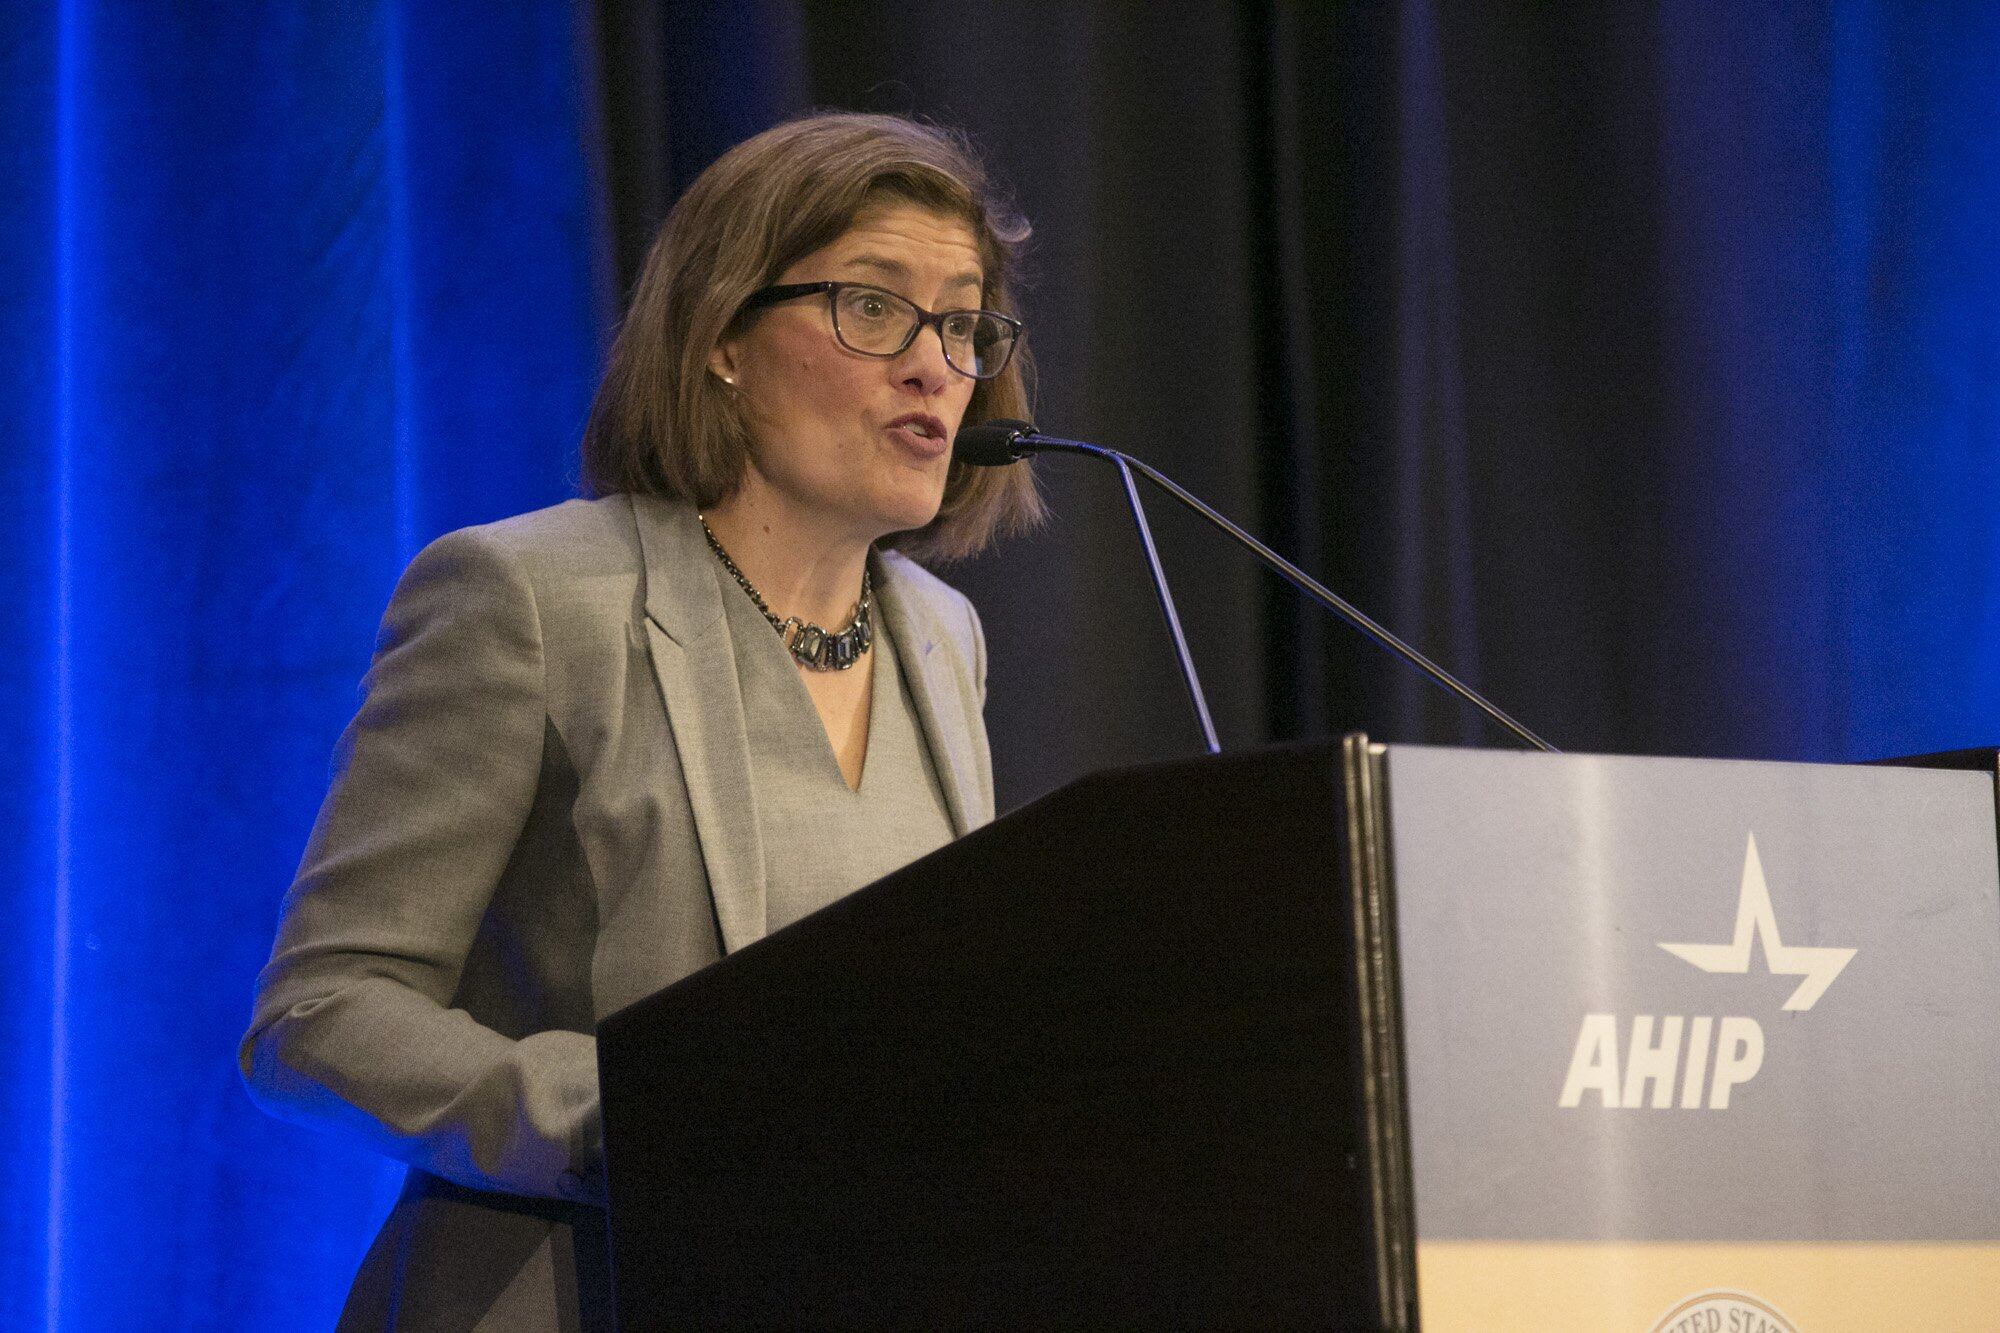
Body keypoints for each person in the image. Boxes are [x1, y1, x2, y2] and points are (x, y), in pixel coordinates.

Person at [239, 111, 1041, 1330]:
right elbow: (318, 1014)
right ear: (722, 338)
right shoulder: (529, 598)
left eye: (963, 323)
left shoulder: (942, 638)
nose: (934, 366)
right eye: (873, 307)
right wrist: (627, 1111)